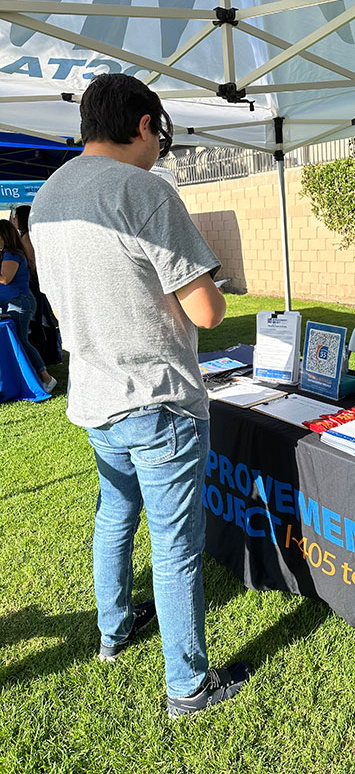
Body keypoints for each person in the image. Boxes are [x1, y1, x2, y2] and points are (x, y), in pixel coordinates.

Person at [29, 73, 252, 717]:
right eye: (162, 132)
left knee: (113, 518)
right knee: (176, 547)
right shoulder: (144, 190)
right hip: (159, 398)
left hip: (95, 392)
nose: (163, 146)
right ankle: (188, 685)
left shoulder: (48, 196)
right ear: (144, 124)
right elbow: (208, 310)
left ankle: (113, 630)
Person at [0, 219, 57, 392]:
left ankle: (46, 377)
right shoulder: (8, 254)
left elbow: (4, 278)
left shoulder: (12, 254)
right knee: (18, 340)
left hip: (17, 302)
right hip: (12, 302)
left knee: (21, 340)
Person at [10, 204, 62, 367]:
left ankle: (47, 357)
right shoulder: (29, 234)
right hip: (36, 280)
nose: (14, 220)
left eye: (16, 217)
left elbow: (32, 262)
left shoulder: (26, 237)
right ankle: (51, 355)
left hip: (33, 281)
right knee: (43, 318)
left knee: (39, 320)